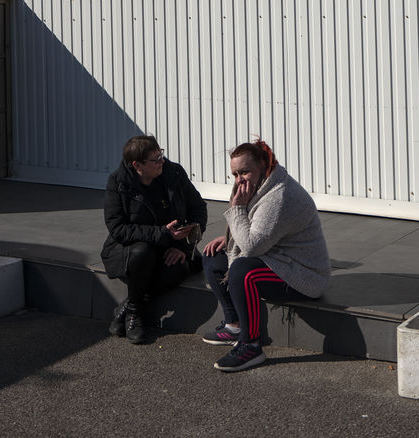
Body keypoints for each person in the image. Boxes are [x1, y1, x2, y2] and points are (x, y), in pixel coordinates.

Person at [200, 139, 330, 372]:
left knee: (242, 272)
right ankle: (234, 325)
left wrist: (237, 209)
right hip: (274, 255)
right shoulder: (260, 184)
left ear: (262, 165)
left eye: (244, 172)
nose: (239, 180)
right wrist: (230, 239)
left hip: (303, 274)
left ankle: (251, 345)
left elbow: (251, 247)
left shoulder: (279, 195)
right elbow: (255, 232)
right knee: (213, 256)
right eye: (235, 174)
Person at [101, 135, 208, 344]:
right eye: (155, 159)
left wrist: (183, 246)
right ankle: (135, 315)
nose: (161, 161)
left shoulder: (174, 173)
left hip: (171, 244)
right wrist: (162, 233)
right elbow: (118, 228)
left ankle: (130, 307)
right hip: (131, 249)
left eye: (161, 155)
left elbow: (198, 208)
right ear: (137, 165)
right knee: (142, 253)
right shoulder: (118, 182)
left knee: (180, 268)